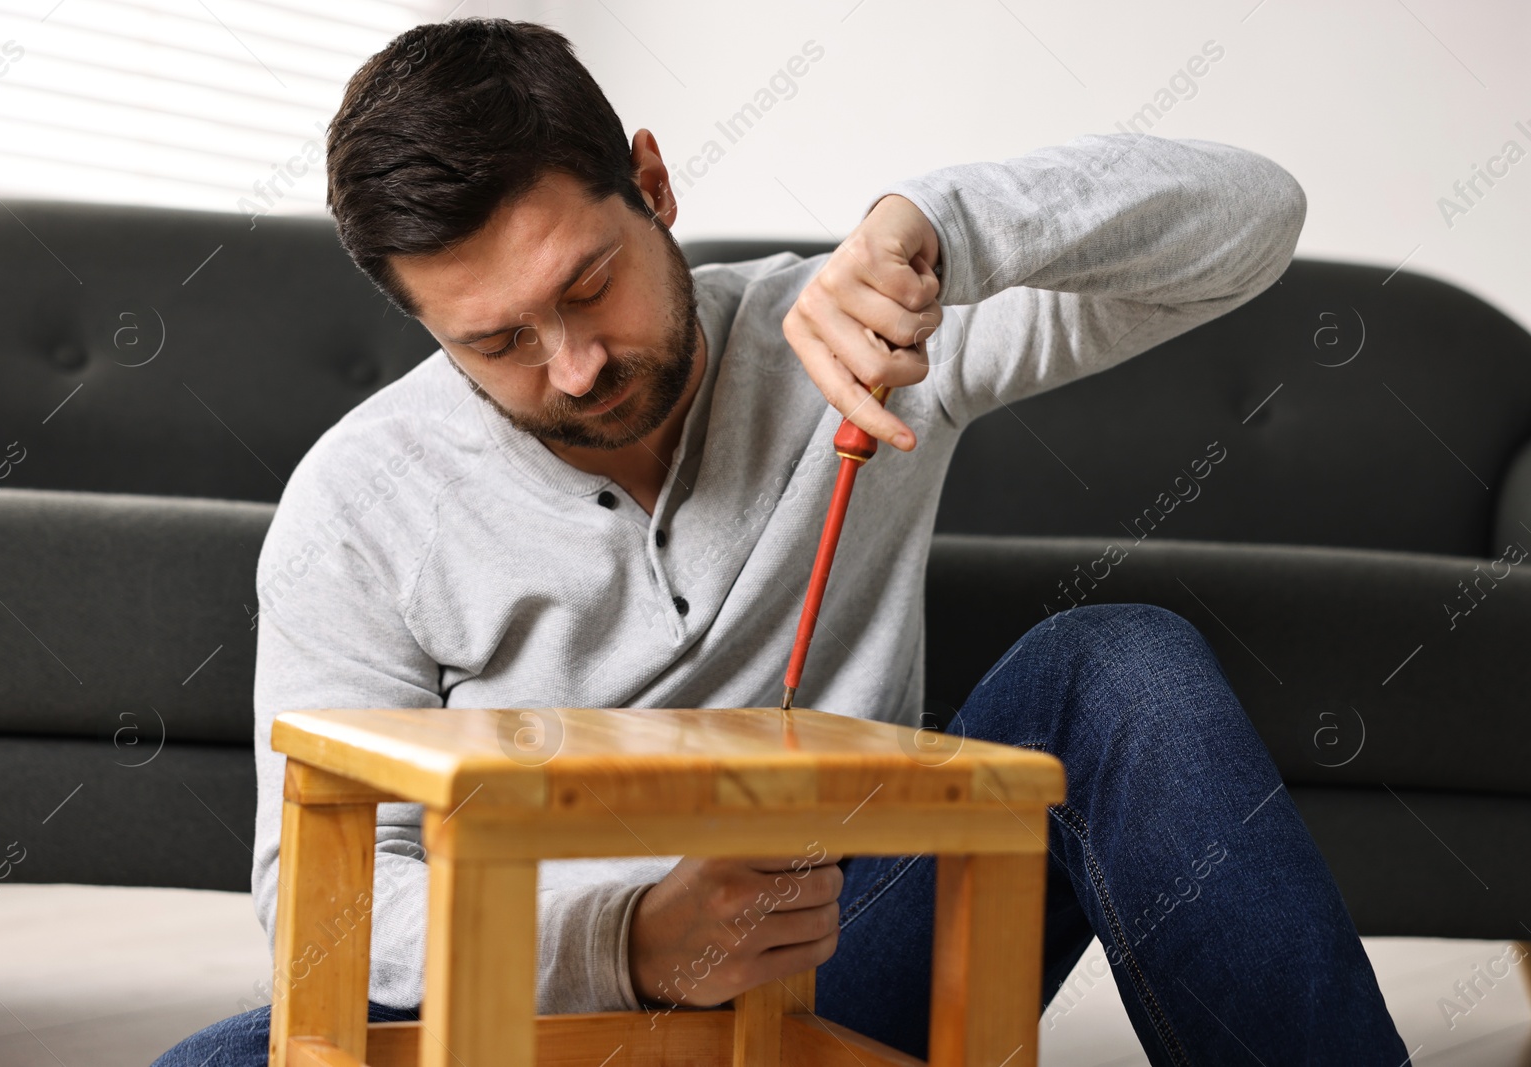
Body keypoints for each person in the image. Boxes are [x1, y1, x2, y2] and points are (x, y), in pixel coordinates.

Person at [153, 15, 1412, 1067]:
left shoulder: (861, 330)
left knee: (1120, 660)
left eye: (588, 286)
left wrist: (943, 224)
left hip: (833, 961)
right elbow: (318, 914)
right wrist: (631, 932)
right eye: (497, 343)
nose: (575, 366)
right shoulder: (355, 503)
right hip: (530, 1013)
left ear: (652, 182)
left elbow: (1253, 219)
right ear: (426, 327)